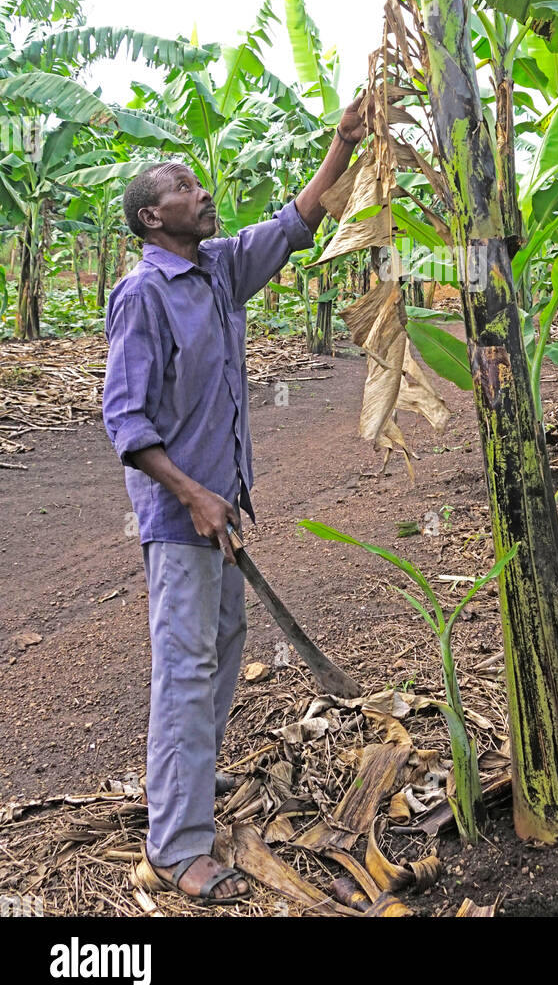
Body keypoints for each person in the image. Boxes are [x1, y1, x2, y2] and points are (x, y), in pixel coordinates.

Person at [102, 98, 365, 903]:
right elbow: (126, 419)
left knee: (220, 648)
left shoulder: (218, 270)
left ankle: (190, 782)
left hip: (222, 505)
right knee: (185, 669)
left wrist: (344, 140)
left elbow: (297, 220)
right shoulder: (144, 294)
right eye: (183, 186)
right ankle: (179, 849)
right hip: (183, 517)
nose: (201, 190)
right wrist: (193, 496)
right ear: (153, 216)